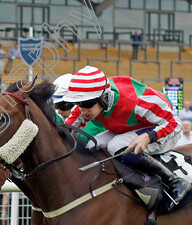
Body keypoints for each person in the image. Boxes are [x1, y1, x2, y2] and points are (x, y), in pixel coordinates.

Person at [63, 65, 190, 206]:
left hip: (164, 129)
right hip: (130, 130)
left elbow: (175, 123)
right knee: (92, 145)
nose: (83, 110)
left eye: (87, 104)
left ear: (104, 96)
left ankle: (174, 181)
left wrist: (149, 136)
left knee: (116, 145)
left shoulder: (138, 101)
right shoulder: (89, 101)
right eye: (78, 104)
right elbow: (66, 129)